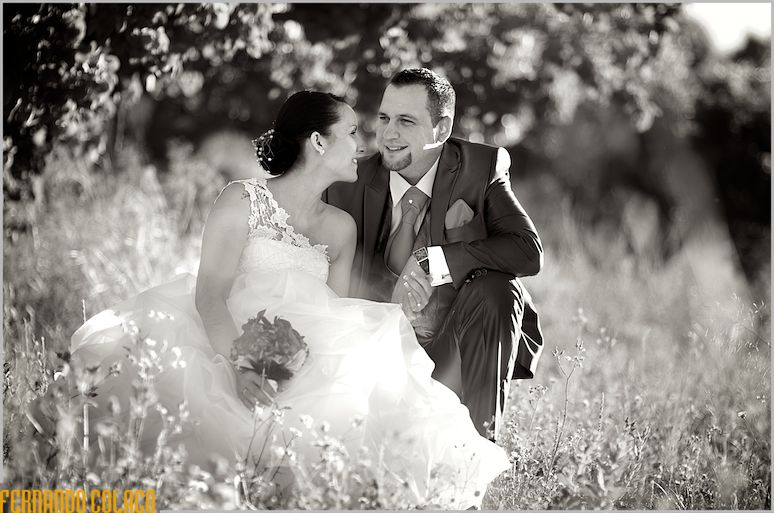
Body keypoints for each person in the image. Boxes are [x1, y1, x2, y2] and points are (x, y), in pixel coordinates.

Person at [36, 91, 509, 508]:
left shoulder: (340, 228)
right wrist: (242, 365)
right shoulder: (242, 199)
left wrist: (397, 308)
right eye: (351, 133)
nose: (362, 146)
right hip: (223, 343)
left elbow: (338, 315)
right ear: (318, 142)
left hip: (306, 358)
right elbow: (210, 295)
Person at [325, 68, 545, 441]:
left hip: (451, 349)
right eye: (384, 118)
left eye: (406, 121)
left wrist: (433, 261)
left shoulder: (480, 169)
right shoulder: (348, 183)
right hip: (372, 352)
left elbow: (527, 250)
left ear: (441, 130)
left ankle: (477, 446)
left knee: (499, 290)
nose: (388, 134)